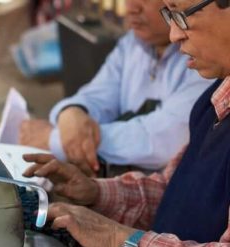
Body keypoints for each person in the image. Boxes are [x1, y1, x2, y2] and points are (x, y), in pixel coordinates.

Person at [22, 0, 230, 247]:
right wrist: (98, 193)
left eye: (182, 15)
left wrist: (118, 239)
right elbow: (172, 188)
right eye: (169, 15)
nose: (175, 34)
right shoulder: (214, 99)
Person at [19, 0, 212, 175]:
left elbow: (165, 138)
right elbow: (98, 94)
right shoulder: (132, 43)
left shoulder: (206, 58)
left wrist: (57, 140)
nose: (131, 7)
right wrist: (72, 111)